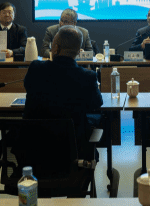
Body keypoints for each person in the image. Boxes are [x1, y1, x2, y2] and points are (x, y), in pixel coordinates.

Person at [23, 25, 103, 159]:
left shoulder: (35, 68)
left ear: (55, 48)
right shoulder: (87, 77)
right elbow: (96, 103)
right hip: (72, 152)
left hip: (33, 151)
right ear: (78, 52)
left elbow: (28, 87)